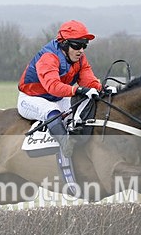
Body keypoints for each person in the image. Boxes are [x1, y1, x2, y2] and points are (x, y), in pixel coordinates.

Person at [17, 20, 109, 157]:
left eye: (84, 45)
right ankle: (65, 144)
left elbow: (88, 80)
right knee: (52, 110)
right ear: (64, 44)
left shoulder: (80, 59)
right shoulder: (48, 57)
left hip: (57, 98)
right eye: (77, 45)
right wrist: (76, 90)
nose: (81, 51)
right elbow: (53, 86)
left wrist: (102, 89)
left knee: (85, 104)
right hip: (32, 98)